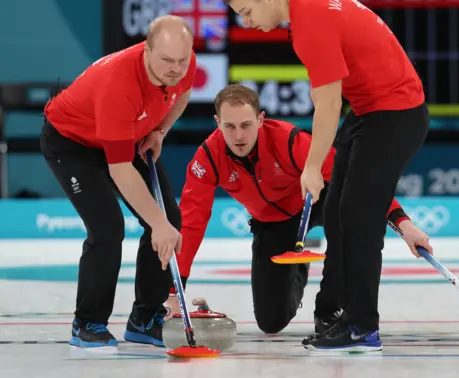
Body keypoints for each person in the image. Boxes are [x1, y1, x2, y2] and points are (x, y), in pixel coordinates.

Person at [219, 0, 430, 352]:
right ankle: (335, 313)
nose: (247, 23)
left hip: (394, 115)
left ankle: (363, 326)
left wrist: (312, 167)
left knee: (359, 222)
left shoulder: (309, 22)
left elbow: (329, 103)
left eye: (247, 12)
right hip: (370, 111)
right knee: (336, 212)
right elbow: (328, 87)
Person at [164, 84, 432, 337]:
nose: (238, 136)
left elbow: (359, 183)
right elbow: (191, 222)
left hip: (315, 201)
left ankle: (329, 309)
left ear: (261, 119)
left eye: (246, 125)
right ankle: (299, 263)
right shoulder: (208, 157)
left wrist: (402, 222)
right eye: (229, 126)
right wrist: (176, 289)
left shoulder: (290, 141)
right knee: (271, 322)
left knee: (348, 222)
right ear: (217, 123)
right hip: (272, 222)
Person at [39, 15, 196, 348]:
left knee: (169, 217)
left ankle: (144, 317)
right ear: (146, 50)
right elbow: (120, 168)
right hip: (73, 144)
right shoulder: (119, 83)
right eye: (166, 60)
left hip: (131, 136)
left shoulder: (183, 61)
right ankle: (88, 323)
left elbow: (182, 93)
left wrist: (160, 130)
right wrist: (158, 224)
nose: (176, 68)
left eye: (182, 60)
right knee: (109, 228)